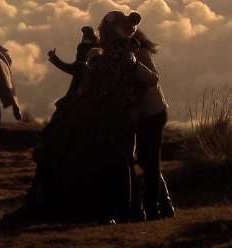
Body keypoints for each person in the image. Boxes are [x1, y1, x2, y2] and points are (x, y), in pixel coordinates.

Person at [13, 12, 157, 224]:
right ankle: (126, 212)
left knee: (99, 162)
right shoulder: (129, 58)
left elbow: (84, 91)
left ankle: (101, 211)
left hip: (99, 119)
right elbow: (152, 79)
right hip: (123, 118)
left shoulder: (98, 60)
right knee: (122, 163)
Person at [132, 29, 174, 220]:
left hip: (151, 113)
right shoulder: (138, 53)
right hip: (150, 112)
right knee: (146, 161)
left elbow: (152, 78)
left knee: (149, 161)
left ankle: (155, 207)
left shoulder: (138, 55)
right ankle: (162, 205)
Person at [47, 26, 97, 108]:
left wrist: (54, 58)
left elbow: (69, 68)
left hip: (80, 97)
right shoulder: (93, 56)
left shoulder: (83, 64)